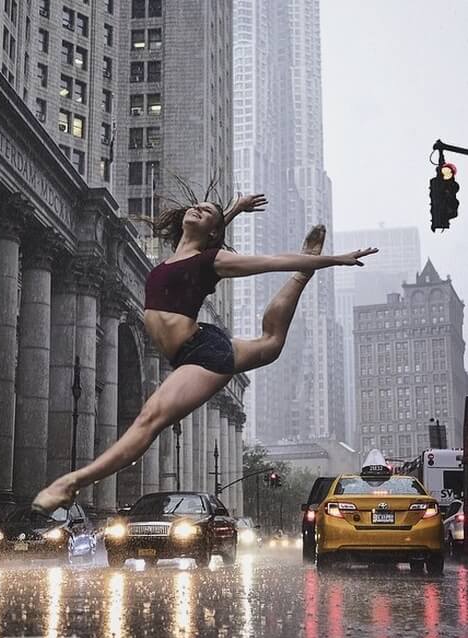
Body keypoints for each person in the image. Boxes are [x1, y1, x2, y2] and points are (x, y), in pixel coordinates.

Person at [31, 193, 378, 514]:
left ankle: (70, 483)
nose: (198, 208)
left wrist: (336, 260)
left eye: (208, 212)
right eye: (199, 206)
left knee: (149, 420)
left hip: (201, 354)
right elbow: (209, 227)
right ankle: (304, 273)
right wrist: (233, 210)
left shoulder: (212, 260)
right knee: (270, 343)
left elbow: (272, 260)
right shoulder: (176, 257)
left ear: (213, 232)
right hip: (193, 349)